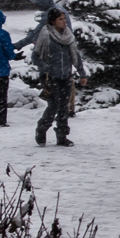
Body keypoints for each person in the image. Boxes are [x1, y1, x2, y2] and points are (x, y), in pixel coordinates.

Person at [33, 8, 85, 146]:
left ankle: (62, 136)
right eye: (60, 19)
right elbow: (36, 56)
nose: (64, 22)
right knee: (54, 105)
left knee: (64, 107)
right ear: (53, 21)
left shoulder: (69, 36)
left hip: (66, 76)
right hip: (50, 77)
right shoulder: (45, 35)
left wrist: (82, 73)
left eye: (64, 19)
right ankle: (42, 128)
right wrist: (44, 67)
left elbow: (76, 55)